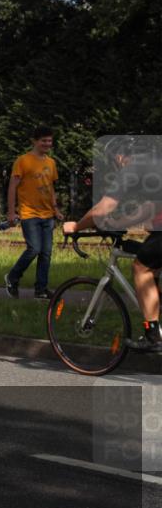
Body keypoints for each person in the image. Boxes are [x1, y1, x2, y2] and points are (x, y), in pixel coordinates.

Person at [64, 136, 162, 352]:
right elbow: (150, 208)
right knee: (152, 264)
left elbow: (101, 209)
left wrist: (76, 227)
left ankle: (152, 335)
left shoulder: (132, 168)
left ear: (119, 157)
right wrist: (117, 223)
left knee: (141, 268)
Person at [4, 126, 65, 300]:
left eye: (50, 141)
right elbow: (13, 186)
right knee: (34, 249)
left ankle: (41, 290)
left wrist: (56, 209)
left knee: (46, 253)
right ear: (35, 141)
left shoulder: (51, 163)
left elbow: (50, 187)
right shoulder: (23, 161)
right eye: (44, 141)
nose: (47, 144)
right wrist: (11, 212)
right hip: (29, 213)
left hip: (47, 215)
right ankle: (12, 277)